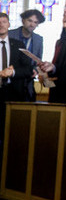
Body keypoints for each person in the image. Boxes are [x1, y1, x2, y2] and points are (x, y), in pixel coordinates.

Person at [0, 12, 33, 142]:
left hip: (12, 94)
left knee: (11, 134)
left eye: (3, 22)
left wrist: (12, 73)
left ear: (9, 24)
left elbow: (28, 69)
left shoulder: (19, 45)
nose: (1, 25)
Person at [9, 9, 43, 101]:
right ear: (23, 20)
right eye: (30, 20)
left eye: (35, 22)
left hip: (28, 82)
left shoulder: (39, 39)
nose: (32, 24)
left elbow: (38, 61)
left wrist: (35, 70)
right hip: (11, 80)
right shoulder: (9, 34)